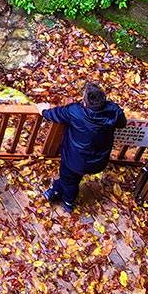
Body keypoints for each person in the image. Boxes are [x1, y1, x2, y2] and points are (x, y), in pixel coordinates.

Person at [36, 82, 128, 214]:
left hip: (74, 159)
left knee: (68, 179)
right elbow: (122, 123)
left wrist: (44, 110)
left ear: (85, 102)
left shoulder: (75, 111)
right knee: (72, 177)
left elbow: (56, 114)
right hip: (98, 160)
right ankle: (56, 189)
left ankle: (68, 201)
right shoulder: (114, 110)